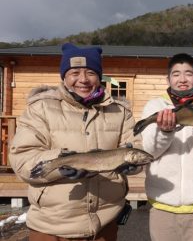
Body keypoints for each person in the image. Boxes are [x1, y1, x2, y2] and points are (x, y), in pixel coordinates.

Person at [9, 43, 142, 241]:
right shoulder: (41, 109)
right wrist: (61, 163)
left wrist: (133, 165)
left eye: (90, 72)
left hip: (104, 225)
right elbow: (23, 159)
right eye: (75, 72)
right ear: (63, 76)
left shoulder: (120, 112)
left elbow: (135, 148)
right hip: (51, 227)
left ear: (99, 76)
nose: (83, 80)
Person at [140, 53, 193, 241]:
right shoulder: (155, 106)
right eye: (176, 74)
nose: (183, 79)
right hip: (162, 201)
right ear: (168, 78)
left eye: (188, 73)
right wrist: (165, 132)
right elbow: (148, 151)